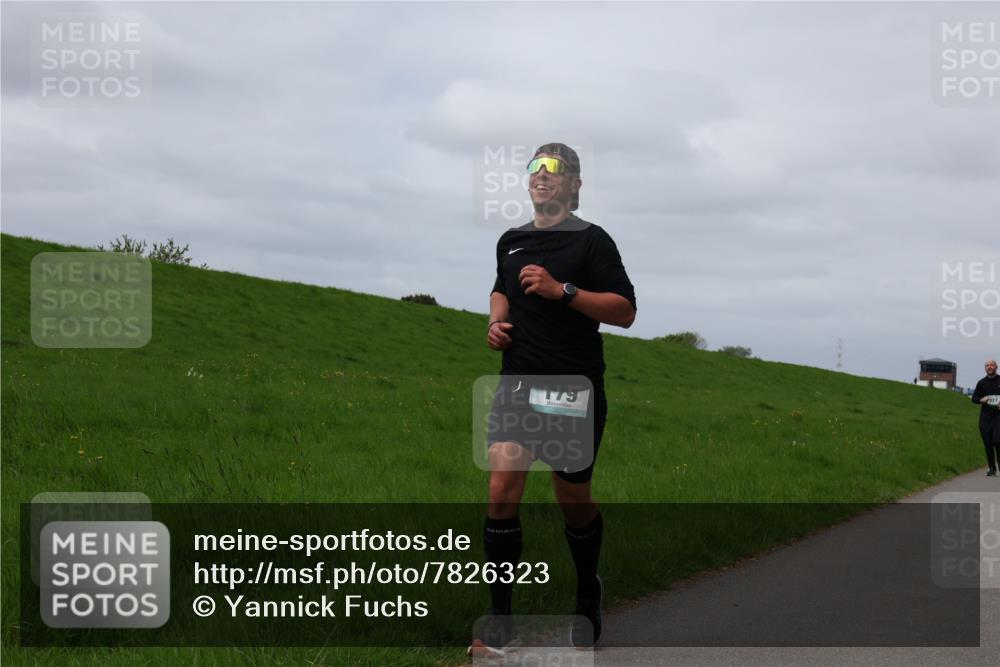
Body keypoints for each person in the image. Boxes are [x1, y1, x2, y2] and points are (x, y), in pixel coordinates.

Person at [470, 142, 636, 656]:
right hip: (517, 384)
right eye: (535, 166)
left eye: (555, 168)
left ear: (574, 185)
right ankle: (501, 625)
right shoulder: (511, 240)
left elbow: (624, 310)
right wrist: (497, 321)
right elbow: (500, 289)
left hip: (571, 389)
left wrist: (562, 290)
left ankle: (588, 595)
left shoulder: (593, 242)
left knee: (573, 501)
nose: (542, 175)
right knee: (501, 490)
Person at [971, 359, 1000, 476]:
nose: (989, 367)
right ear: (985, 368)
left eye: (991, 365)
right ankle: (992, 469)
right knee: (988, 443)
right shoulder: (981, 383)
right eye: (987, 365)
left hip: (998, 417)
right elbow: (974, 398)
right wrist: (980, 400)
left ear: (996, 367)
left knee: (998, 441)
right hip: (985, 419)